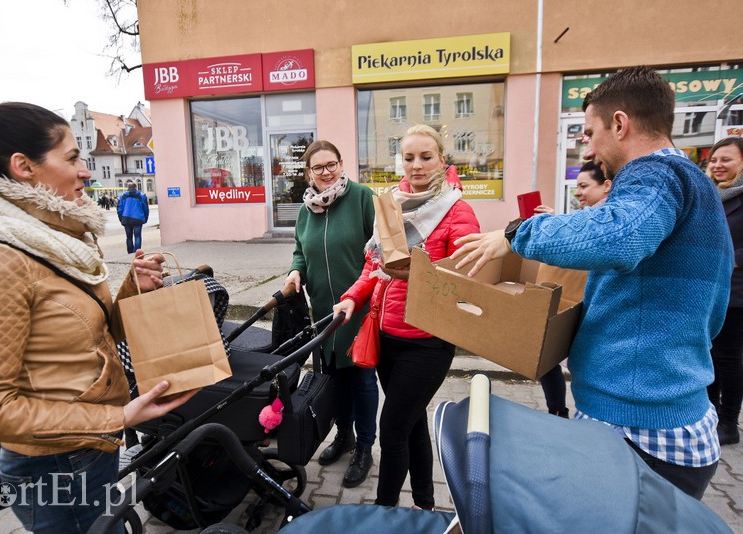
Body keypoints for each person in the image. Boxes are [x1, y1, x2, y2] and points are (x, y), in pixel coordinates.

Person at [450, 66, 732, 500]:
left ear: (620, 124)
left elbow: (619, 237)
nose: (588, 146)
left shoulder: (655, 175)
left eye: (589, 131)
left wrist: (516, 235)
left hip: (636, 426)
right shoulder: (697, 186)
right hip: (670, 412)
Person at [0, 101, 198, 533]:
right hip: (53, 469)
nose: (86, 172)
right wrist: (117, 417)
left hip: (88, 452)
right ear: (24, 166)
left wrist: (132, 288)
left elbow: (94, 334)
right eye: (73, 157)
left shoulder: (58, 241)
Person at [333, 124, 480, 510]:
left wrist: (419, 271)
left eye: (426, 157)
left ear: (442, 159)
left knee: (392, 430)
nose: (416, 166)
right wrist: (351, 298)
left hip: (428, 343)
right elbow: (372, 266)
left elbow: (466, 278)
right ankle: (425, 504)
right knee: (412, 425)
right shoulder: (391, 204)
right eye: (409, 157)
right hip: (388, 336)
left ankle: (384, 511)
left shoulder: (456, 210)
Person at [284, 140, 378, 488]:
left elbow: (379, 253)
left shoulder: (362, 198)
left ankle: (365, 448)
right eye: (318, 168)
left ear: (341, 164)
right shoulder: (306, 210)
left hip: (359, 309)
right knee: (335, 381)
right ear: (308, 173)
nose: (326, 173)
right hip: (324, 312)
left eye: (331, 165)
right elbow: (300, 252)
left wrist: (363, 293)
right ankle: (344, 436)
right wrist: (295, 271)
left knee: (363, 381)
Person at [533, 161, 612, 418]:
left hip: (589, 307)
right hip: (573, 302)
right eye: (577, 185)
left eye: (584, 186)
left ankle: (565, 411)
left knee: (560, 359)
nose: (578, 191)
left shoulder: (607, 219)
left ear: (606, 187)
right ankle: (559, 410)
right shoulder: (587, 216)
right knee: (549, 357)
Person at [706, 137, 743, 445]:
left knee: (728, 358)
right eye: (714, 159)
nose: (718, 165)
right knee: (708, 353)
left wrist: (727, 258)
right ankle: (711, 414)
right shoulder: (711, 195)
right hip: (708, 290)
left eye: (726, 160)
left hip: (736, 292)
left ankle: (729, 423)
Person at [117, 181, 149, 254]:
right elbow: (145, 209)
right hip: (138, 219)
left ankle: (130, 253)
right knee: (137, 236)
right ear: (136, 187)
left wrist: (121, 219)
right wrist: (145, 219)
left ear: (128, 188)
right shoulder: (141, 196)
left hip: (126, 218)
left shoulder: (122, 197)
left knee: (129, 237)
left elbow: (119, 209)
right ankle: (137, 253)